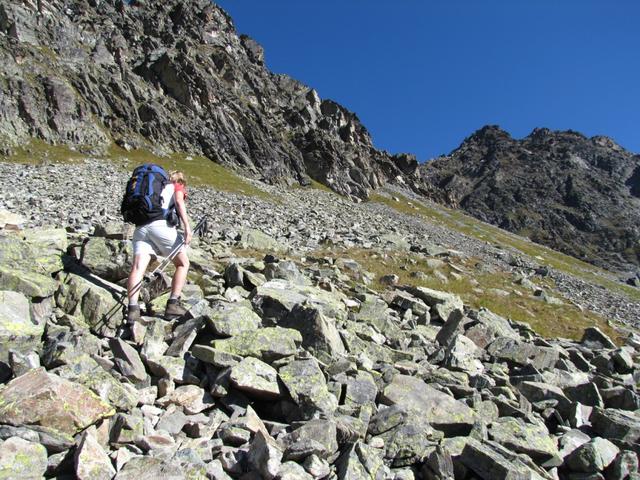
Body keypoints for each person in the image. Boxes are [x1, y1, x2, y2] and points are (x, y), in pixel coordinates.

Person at [126, 170, 192, 323]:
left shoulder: (154, 188)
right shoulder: (177, 186)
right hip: (160, 225)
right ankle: (173, 305)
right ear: (181, 181)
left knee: (137, 268)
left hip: (141, 228)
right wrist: (187, 228)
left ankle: (133, 310)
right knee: (183, 263)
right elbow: (179, 201)